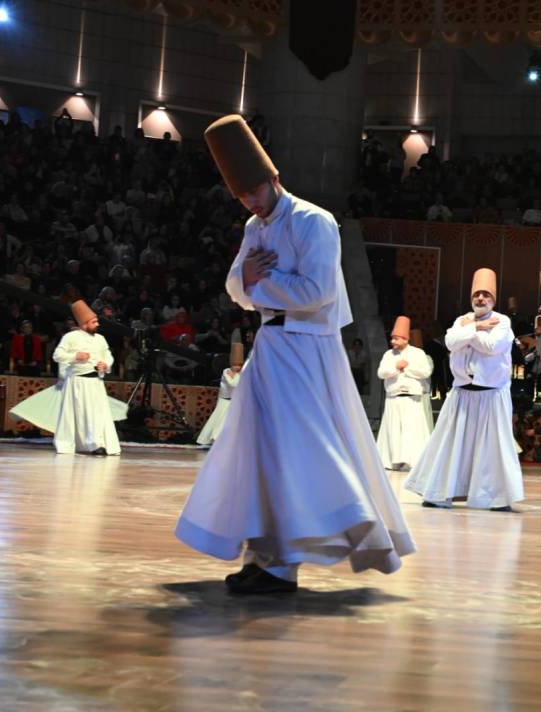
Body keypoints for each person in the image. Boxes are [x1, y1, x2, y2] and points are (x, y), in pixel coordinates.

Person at [175, 114, 414, 595]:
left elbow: (318, 291)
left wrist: (262, 281)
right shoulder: (253, 225)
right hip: (271, 346)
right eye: (241, 196)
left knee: (298, 452)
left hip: (307, 349)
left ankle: (283, 563)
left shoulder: (314, 221)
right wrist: (250, 282)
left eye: (254, 192)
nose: (249, 202)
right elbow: (234, 284)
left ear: (273, 178)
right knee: (258, 452)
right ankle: (264, 555)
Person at [404, 268, 524, 511]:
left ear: (493, 299)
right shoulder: (462, 320)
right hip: (462, 392)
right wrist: (477, 328)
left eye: (485, 295)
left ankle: (496, 498)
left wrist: (469, 333)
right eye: (477, 294)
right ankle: (438, 492)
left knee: (493, 447)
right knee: (449, 443)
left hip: (491, 393)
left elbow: (492, 346)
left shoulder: (502, 321)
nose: (480, 298)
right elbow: (450, 342)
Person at [11, 300, 126, 455]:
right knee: (78, 413)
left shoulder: (100, 339)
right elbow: (57, 355)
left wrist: (105, 364)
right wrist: (75, 356)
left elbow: (108, 356)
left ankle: (98, 443)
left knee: (98, 413)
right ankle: (83, 444)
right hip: (77, 382)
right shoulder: (70, 337)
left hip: (96, 382)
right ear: (84, 323)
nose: (97, 323)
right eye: (94, 321)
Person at [375, 316, 434, 471]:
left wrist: (406, 368)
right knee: (393, 432)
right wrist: (396, 367)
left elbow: (425, 371)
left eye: (396, 338)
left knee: (411, 431)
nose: (393, 341)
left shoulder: (418, 353)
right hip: (394, 397)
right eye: (392, 338)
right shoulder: (388, 355)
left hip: (412, 398)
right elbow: (381, 373)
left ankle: (412, 462)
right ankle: (393, 461)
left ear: (405, 339)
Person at [196, 342, 244, 447]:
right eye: (235, 365)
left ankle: (229, 442)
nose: (237, 367)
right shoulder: (226, 371)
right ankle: (213, 440)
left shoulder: (242, 373)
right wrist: (236, 374)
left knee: (231, 423)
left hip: (235, 401)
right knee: (218, 421)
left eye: (240, 365)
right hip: (224, 400)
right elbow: (233, 384)